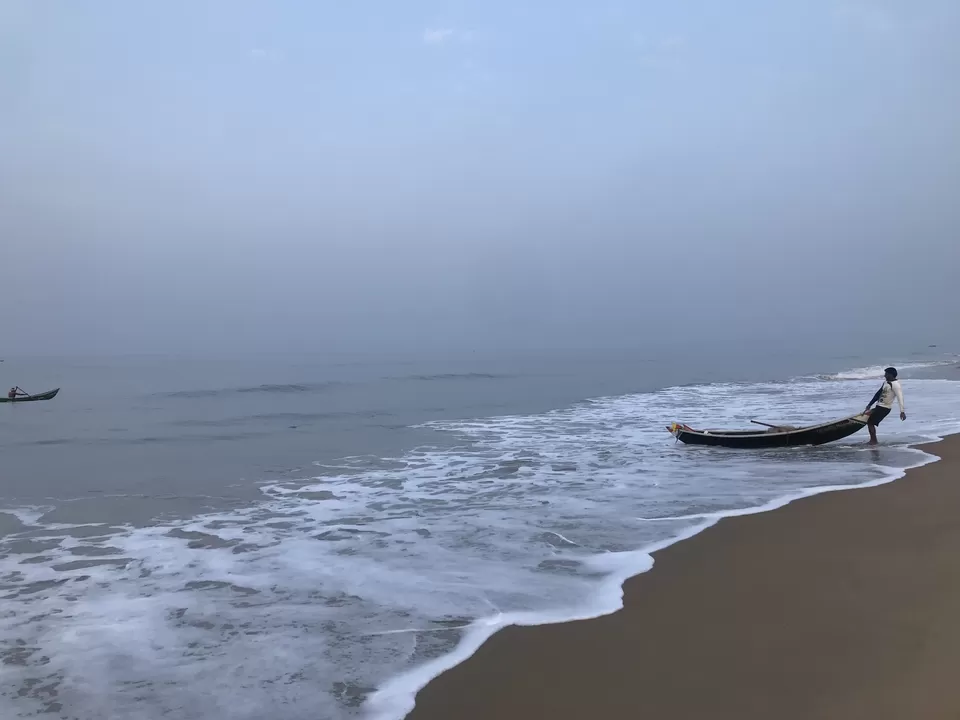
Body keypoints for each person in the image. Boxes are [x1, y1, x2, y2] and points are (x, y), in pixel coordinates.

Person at [864, 367, 906, 445]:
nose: (884, 376)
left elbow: (900, 398)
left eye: (886, 374)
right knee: (868, 418)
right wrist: (869, 404)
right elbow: (878, 394)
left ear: (891, 375)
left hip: (885, 408)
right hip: (879, 406)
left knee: (870, 422)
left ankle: (873, 441)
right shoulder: (886, 383)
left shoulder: (896, 385)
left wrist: (902, 411)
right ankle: (873, 440)